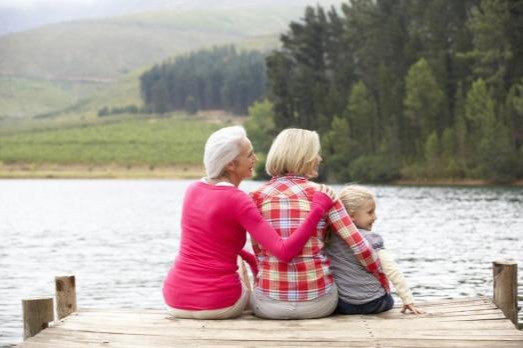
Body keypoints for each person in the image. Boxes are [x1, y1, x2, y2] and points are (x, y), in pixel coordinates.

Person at [162, 125, 335, 319]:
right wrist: (318, 209)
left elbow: (217, 245)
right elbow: (284, 251)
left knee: (228, 254)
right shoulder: (237, 199)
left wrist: (255, 264)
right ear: (231, 164)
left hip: (174, 300)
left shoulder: (192, 189)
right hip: (218, 304)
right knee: (237, 262)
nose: (256, 159)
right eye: (250, 155)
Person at [249, 128, 389, 320]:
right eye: (316, 153)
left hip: (269, 306)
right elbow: (360, 248)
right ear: (303, 156)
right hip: (319, 304)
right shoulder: (324, 194)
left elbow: (258, 253)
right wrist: (381, 276)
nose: (320, 159)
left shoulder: (255, 197)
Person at [326, 184, 424, 315]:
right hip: (375, 303)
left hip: (345, 305)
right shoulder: (370, 238)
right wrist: (408, 300)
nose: (375, 217)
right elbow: (392, 270)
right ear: (351, 215)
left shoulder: (329, 238)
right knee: (387, 298)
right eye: (370, 212)